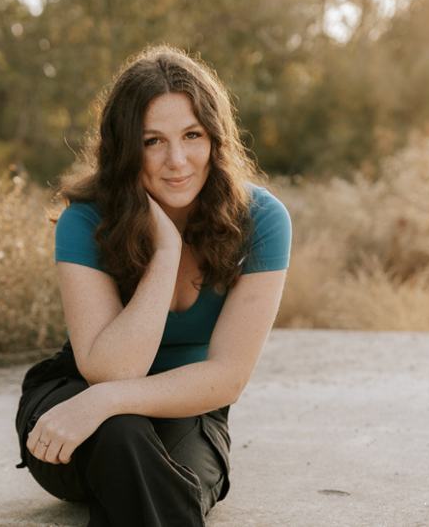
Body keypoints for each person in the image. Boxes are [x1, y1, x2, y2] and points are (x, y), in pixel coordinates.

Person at [15, 45, 291, 527]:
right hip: (73, 402)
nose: (177, 160)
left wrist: (106, 402)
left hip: (186, 409)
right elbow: (109, 370)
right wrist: (164, 252)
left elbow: (227, 378)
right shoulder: (85, 221)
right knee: (121, 438)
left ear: (215, 139)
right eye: (152, 141)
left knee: (145, 473)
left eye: (192, 135)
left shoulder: (261, 220)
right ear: (125, 147)